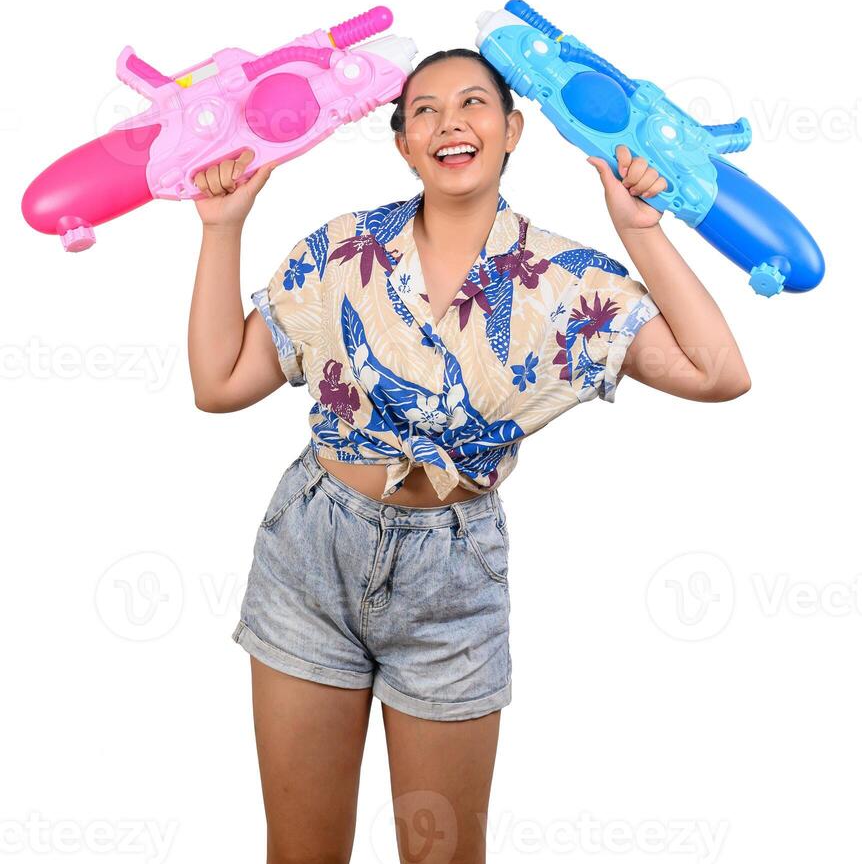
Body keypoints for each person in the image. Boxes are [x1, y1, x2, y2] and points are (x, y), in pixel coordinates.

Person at [188, 48, 751, 863]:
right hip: (309, 558)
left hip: (451, 579)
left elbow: (718, 372)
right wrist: (223, 228)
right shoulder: (343, 250)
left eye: (474, 103)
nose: (450, 121)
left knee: (444, 855)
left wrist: (641, 232)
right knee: (301, 852)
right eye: (424, 110)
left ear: (513, 129)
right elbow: (220, 381)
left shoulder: (564, 281)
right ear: (404, 145)